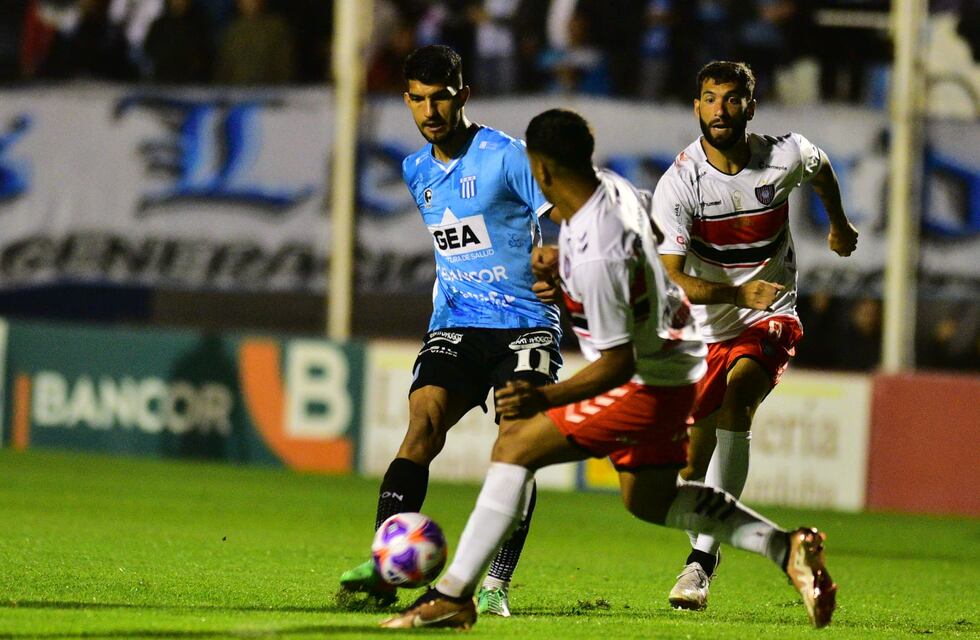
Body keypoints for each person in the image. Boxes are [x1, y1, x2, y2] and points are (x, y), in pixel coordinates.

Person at [379, 108, 838, 631]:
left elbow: (617, 363)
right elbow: (639, 258)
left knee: (515, 446)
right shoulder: (613, 193)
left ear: (541, 170)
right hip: (677, 362)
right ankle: (785, 547)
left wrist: (544, 399)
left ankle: (453, 594)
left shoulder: (596, 246)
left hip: (647, 378)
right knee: (649, 499)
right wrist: (564, 274)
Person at [338, 45, 563, 617]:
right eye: (418, 99)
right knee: (423, 422)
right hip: (459, 321)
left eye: (441, 97)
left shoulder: (508, 156)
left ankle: (495, 583)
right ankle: (387, 566)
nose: (430, 110)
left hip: (525, 326)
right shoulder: (416, 171)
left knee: (518, 442)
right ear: (407, 100)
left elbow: (565, 212)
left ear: (463, 95)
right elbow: (455, 246)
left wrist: (559, 263)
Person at [650, 60, 858, 610]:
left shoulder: (783, 155)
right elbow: (673, 279)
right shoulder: (680, 184)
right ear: (696, 107)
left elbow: (822, 167)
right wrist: (737, 295)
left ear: (751, 105)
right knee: (684, 471)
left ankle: (701, 561)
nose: (721, 109)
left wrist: (838, 222)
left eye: (733, 98)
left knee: (737, 400)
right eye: (710, 98)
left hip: (771, 314)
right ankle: (715, 543)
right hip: (707, 325)